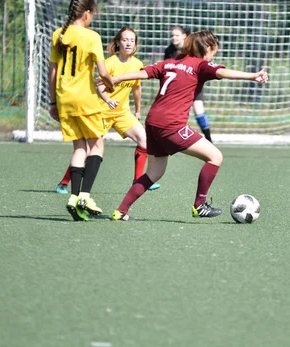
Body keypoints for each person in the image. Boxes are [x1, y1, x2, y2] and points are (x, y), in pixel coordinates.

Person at [108, 30, 268, 221]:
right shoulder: (200, 64)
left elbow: (144, 73)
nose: (213, 56)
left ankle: (120, 211)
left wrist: (116, 78)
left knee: (154, 173)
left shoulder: (169, 63)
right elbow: (223, 72)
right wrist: (253, 76)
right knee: (215, 156)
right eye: (214, 51)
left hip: (152, 122)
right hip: (171, 124)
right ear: (207, 48)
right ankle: (199, 206)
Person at [55, 27, 160, 194]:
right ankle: (64, 182)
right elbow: (100, 88)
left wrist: (138, 110)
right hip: (101, 111)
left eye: (132, 40)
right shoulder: (109, 63)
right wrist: (109, 100)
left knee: (144, 140)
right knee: (89, 151)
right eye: (125, 40)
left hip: (122, 113)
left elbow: (136, 89)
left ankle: (138, 179)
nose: (128, 43)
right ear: (118, 42)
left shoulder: (137, 64)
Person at [48, 0, 114, 221]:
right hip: (84, 98)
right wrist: (110, 84)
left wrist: (52, 103)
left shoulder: (59, 33)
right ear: (86, 14)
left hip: (64, 98)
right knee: (97, 143)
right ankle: (85, 195)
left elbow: (53, 72)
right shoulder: (91, 37)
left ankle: (73, 198)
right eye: (92, 14)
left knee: (79, 147)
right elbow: (103, 72)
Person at [163, 26, 213, 143]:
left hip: (193, 84)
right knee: (173, 112)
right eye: (172, 35)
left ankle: (209, 140)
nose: (174, 38)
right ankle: (169, 138)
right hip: (177, 88)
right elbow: (166, 69)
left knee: (199, 111)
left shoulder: (192, 49)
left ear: (184, 36)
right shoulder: (169, 52)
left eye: (177, 35)